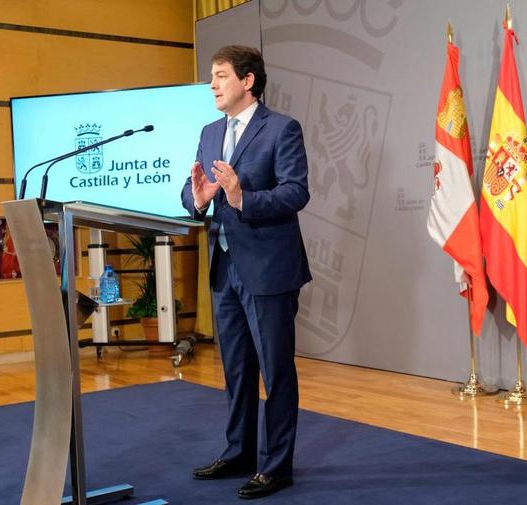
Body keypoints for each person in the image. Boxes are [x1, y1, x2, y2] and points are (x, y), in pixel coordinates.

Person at [181, 45, 311, 499]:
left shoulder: (281, 129)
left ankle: (277, 466)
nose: (213, 85)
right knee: (237, 369)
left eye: (220, 76)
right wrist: (199, 198)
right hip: (224, 266)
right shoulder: (209, 131)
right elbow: (191, 190)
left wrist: (241, 199)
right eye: (212, 77)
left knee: (275, 371)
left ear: (248, 80)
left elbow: (296, 193)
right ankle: (239, 452)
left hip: (270, 270)